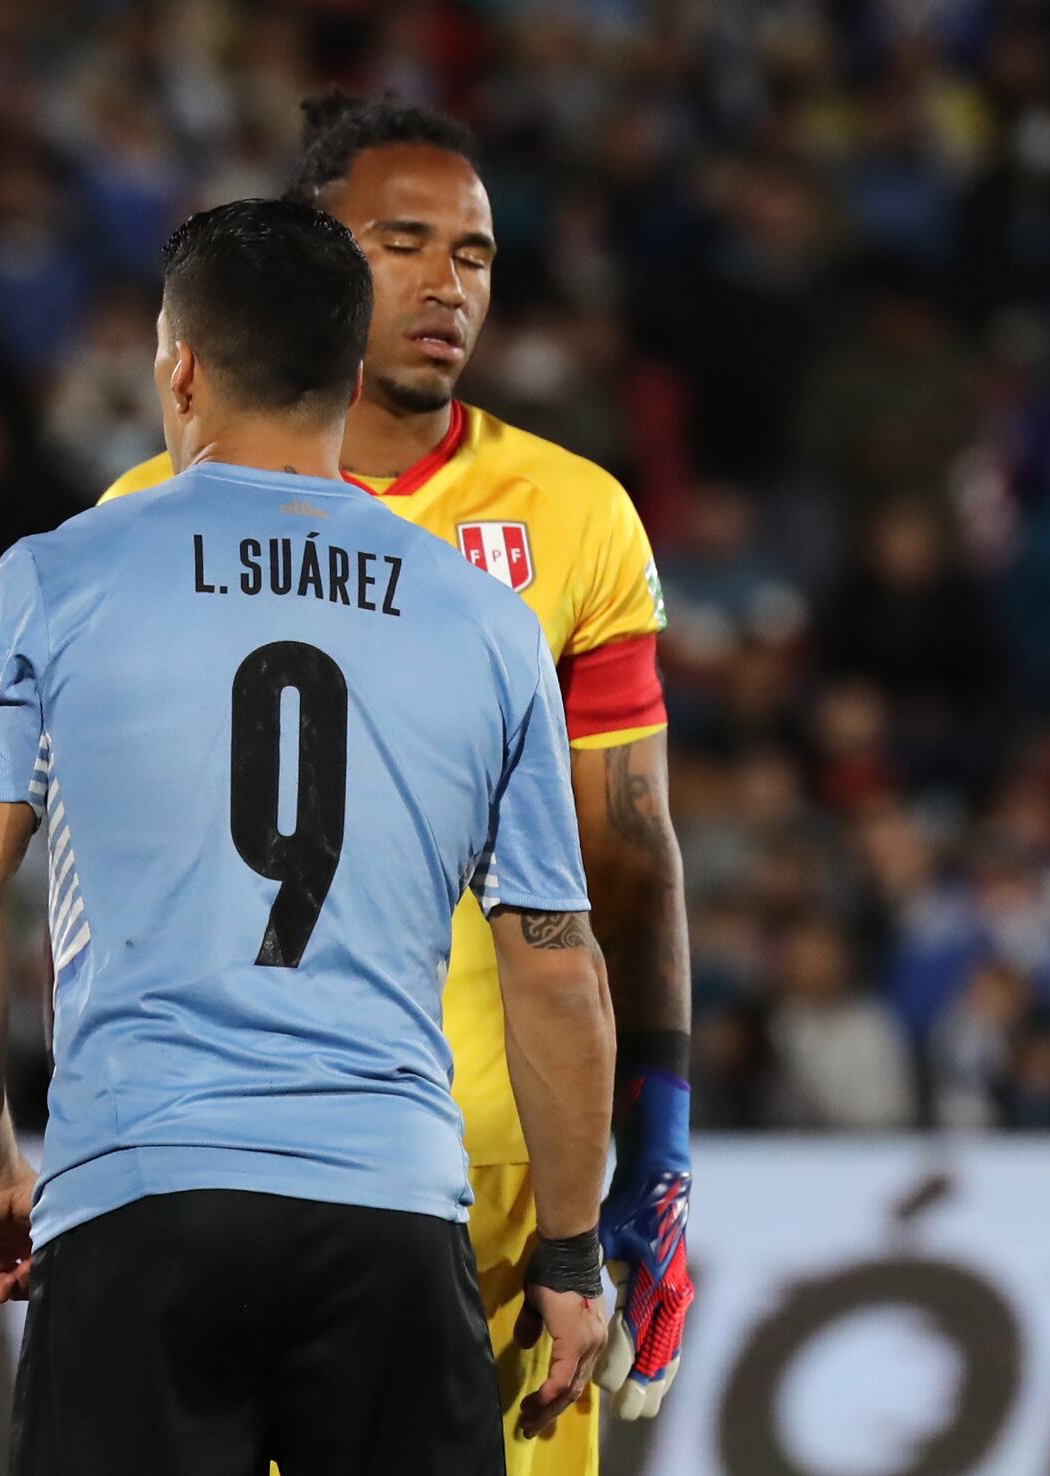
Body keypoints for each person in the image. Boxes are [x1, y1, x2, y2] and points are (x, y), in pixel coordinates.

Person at [0, 198, 616, 1475]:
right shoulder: (489, 624)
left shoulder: (53, 580)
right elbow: (556, 963)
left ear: (177, 365)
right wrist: (568, 1251)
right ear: (352, 373)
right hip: (391, 1209)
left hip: (142, 1196)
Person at [102, 91, 695, 1466]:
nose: (446, 286)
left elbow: (631, 851)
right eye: (401, 243)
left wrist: (651, 1141)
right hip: (224, 1163)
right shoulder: (143, 519)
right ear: (310, 255)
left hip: (500, 1173)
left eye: (475, 253)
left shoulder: (572, 514)